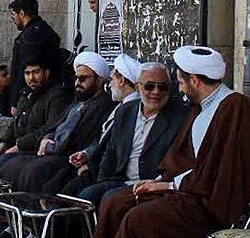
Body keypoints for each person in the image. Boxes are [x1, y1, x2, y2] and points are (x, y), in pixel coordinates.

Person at [94, 46, 250, 238]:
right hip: (188, 190)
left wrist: (168, 186)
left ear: (194, 80)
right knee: (115, 203)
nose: (180, 88)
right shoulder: (199, 108)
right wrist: (157, 181)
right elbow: (182, 159)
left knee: (139, 219)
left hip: (208, 202)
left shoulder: (234, 108)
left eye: (181, 82)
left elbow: (220, 174)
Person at [68, 61, 188, 208]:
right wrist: (100, 179)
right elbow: (111, 150)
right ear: (138, 87)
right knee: (85, 195)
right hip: (121, 179)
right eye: (149, 86)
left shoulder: (178, 117)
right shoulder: (126, 111)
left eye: (162, 87)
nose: (156, 92)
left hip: (151, 183)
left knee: (110, 199)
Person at [0, 51, 116, 193]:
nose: (78, 83)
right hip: (49, 149)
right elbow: (54, 126)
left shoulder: (101, 105)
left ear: (100, 80)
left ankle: (31, 213)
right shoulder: (77, 102)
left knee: (32, 171)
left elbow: (81, 139)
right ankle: (7, 212)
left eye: (83, 78)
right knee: (8, 162)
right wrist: (46, 139)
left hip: (66, 155)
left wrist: (47, 146)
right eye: (77, 78)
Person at [0, 57, 70, 176]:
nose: (31, 78)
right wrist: (4, 142)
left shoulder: (57, 95)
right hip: (17, 147)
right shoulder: (25, 94)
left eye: (36, 72)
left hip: (35, 150)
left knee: (5, 161)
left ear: (46, 73)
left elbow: (49, 128)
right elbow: (15, 123)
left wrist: (18, 146)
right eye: (27, 73)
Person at [7, 0, 73, 116]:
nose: (13, 19)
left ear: (21, 13)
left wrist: (16, 101)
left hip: (36, 97)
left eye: (14, 14)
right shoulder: (45, 30)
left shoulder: (30, 37)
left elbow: (26, 69)